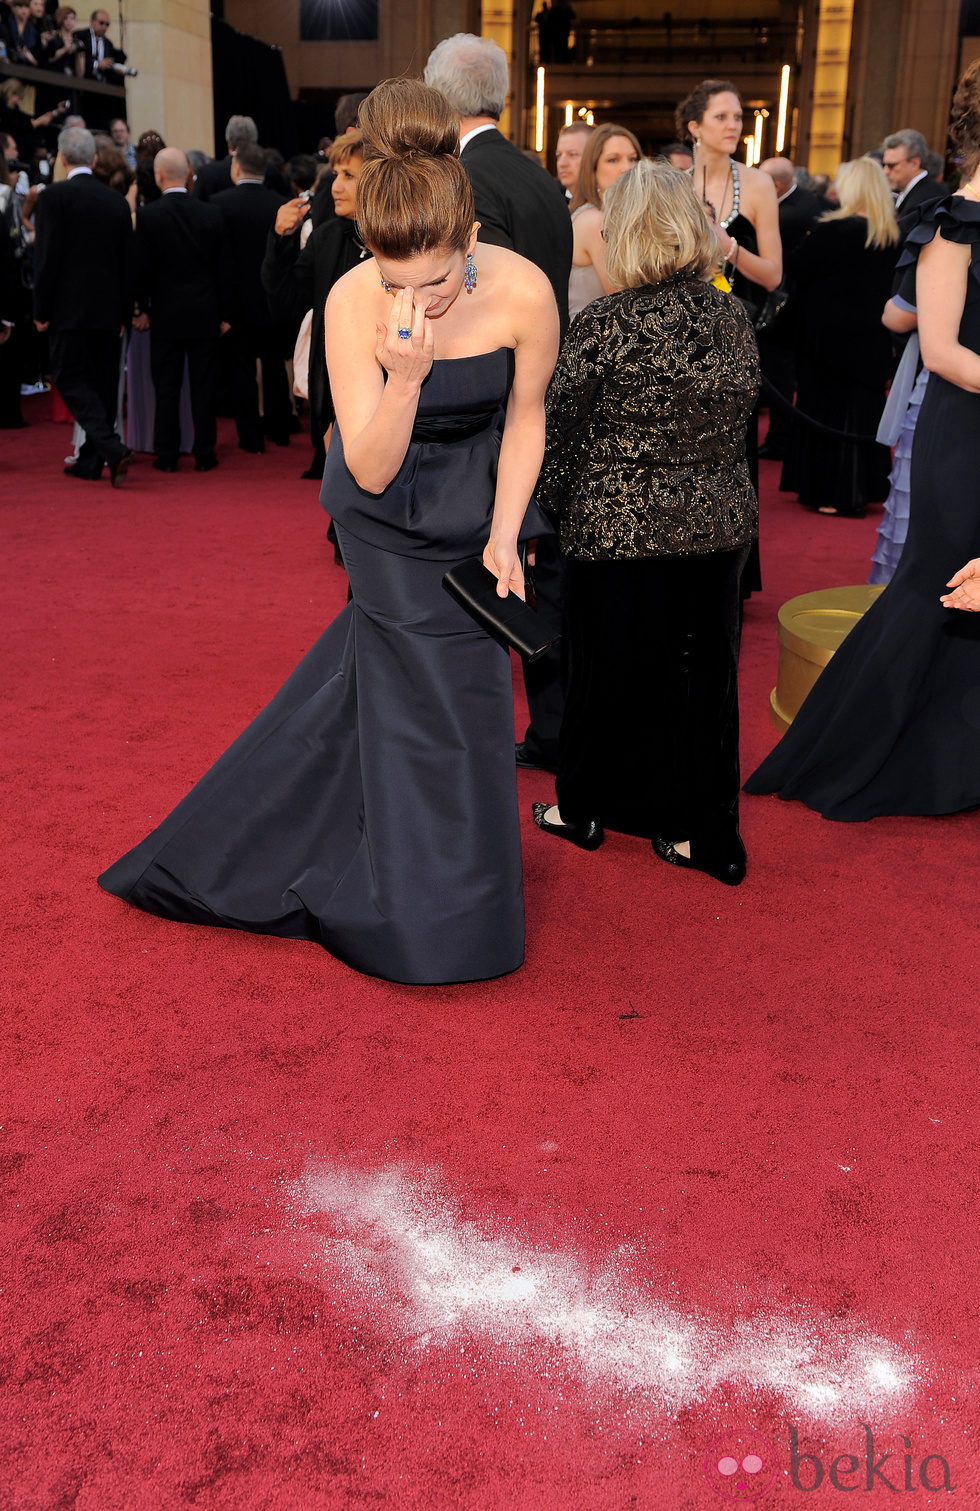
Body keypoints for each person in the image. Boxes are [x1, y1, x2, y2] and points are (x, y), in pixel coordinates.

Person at [98, 78, 560, 984]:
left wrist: (508, 530)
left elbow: (530, 418)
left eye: (435, 281)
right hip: (387, 523)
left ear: (470, 240)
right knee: (410, 700)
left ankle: (457, 898)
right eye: (398, 280)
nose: (417, 302)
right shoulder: (355, 301)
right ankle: (421, 917)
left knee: (468, 699)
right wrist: (403, 376)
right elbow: (374, 466)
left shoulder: (523, 290)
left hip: (474, 510)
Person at [744, 61, 980, 820]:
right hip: (963, 431)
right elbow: (939, 349)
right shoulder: (952, 223)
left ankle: (952, 762)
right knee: (937, 587)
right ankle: (847, 752)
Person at [530, 160, 758, 885]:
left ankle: (582, 808)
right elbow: (741, 418)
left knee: (601, 674)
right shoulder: (732, 314)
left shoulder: (602, 323)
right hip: (715, 527)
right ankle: (707, 836)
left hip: (615, 528)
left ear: (620, 237)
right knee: (706, 679)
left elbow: (560, 434)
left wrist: (549, 516)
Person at [425, 30, 573, 772]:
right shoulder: (541, 177)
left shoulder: (467, 183)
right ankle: (551, 729)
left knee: (493, 571)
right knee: (532, 570)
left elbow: (481, 316)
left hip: (494, 415)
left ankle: (514, 732)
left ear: (437, 100)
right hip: (542, 396)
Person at [677, 79, 780, 594]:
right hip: (679, 334)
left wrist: (728, 248)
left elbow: (774, 275)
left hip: (734, 334)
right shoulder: (675, 181)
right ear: (694, 126)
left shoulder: (758, 184)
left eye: (738, 117)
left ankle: (734, 568)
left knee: (734, 450)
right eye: (721, 117)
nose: (734, 125)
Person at [779, 157, 899, 517]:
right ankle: (862, 486)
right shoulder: (891, 236)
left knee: (828, 412)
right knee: (861, 412)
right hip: (873, 339)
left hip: (828, 342)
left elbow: (795, 268)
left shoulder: (834, 232)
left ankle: (834, 491)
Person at [262, 128, 370, 479]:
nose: (335, 186)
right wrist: (281, 240)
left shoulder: (402, 242)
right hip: (335, 393)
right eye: (336, 174)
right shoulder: (328, 237)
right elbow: (287, 301)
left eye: (348, 176)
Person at [33, 124, 133, 482]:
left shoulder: (52, 197)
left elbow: (45, 259)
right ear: (93, 158)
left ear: (61, 159)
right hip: (107, 313)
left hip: (67, 311)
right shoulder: (116, 201)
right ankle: (92, 461)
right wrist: (124, 311)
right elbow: (127, 263)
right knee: (102, 386)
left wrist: (40, 310)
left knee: (70, 378)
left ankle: (110, 447)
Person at [133, 146, 223, 472]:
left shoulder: (147, 216)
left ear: (158, 176)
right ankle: (205, 454)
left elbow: (141, 269)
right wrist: (224, 314)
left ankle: (167, 455)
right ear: (187, 173)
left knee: (166, 387)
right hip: (205, 313)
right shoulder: (211, 214)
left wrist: (140, 308)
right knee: (204, 386)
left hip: (166, 314)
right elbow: (222, 269)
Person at [212, 138, 289, 453]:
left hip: (236, 301)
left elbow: (219, 260)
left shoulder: (218, 204)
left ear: (237, 167)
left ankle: (250, 436)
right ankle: (280, 427)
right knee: (273, 365)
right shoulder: (282, 205)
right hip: (273, 298)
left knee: (241, 368)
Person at [567, 122, 640, 319]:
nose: (627, 168)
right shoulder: (594, 221)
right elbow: (623, 295)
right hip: (596, 341)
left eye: (633, 159)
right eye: (613, 160)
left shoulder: (614, 218)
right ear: (592, 169)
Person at [881, 129, 947, 217]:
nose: (885, 171)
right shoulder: (907, 192)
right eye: (884, 165)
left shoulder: (930, 197)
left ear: (914, 163)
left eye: (891, 165)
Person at [555, 120, 592, 198]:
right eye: (559, 155)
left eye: (572, 154)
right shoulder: (548, 199)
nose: (562, 163)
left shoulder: (611, 204)